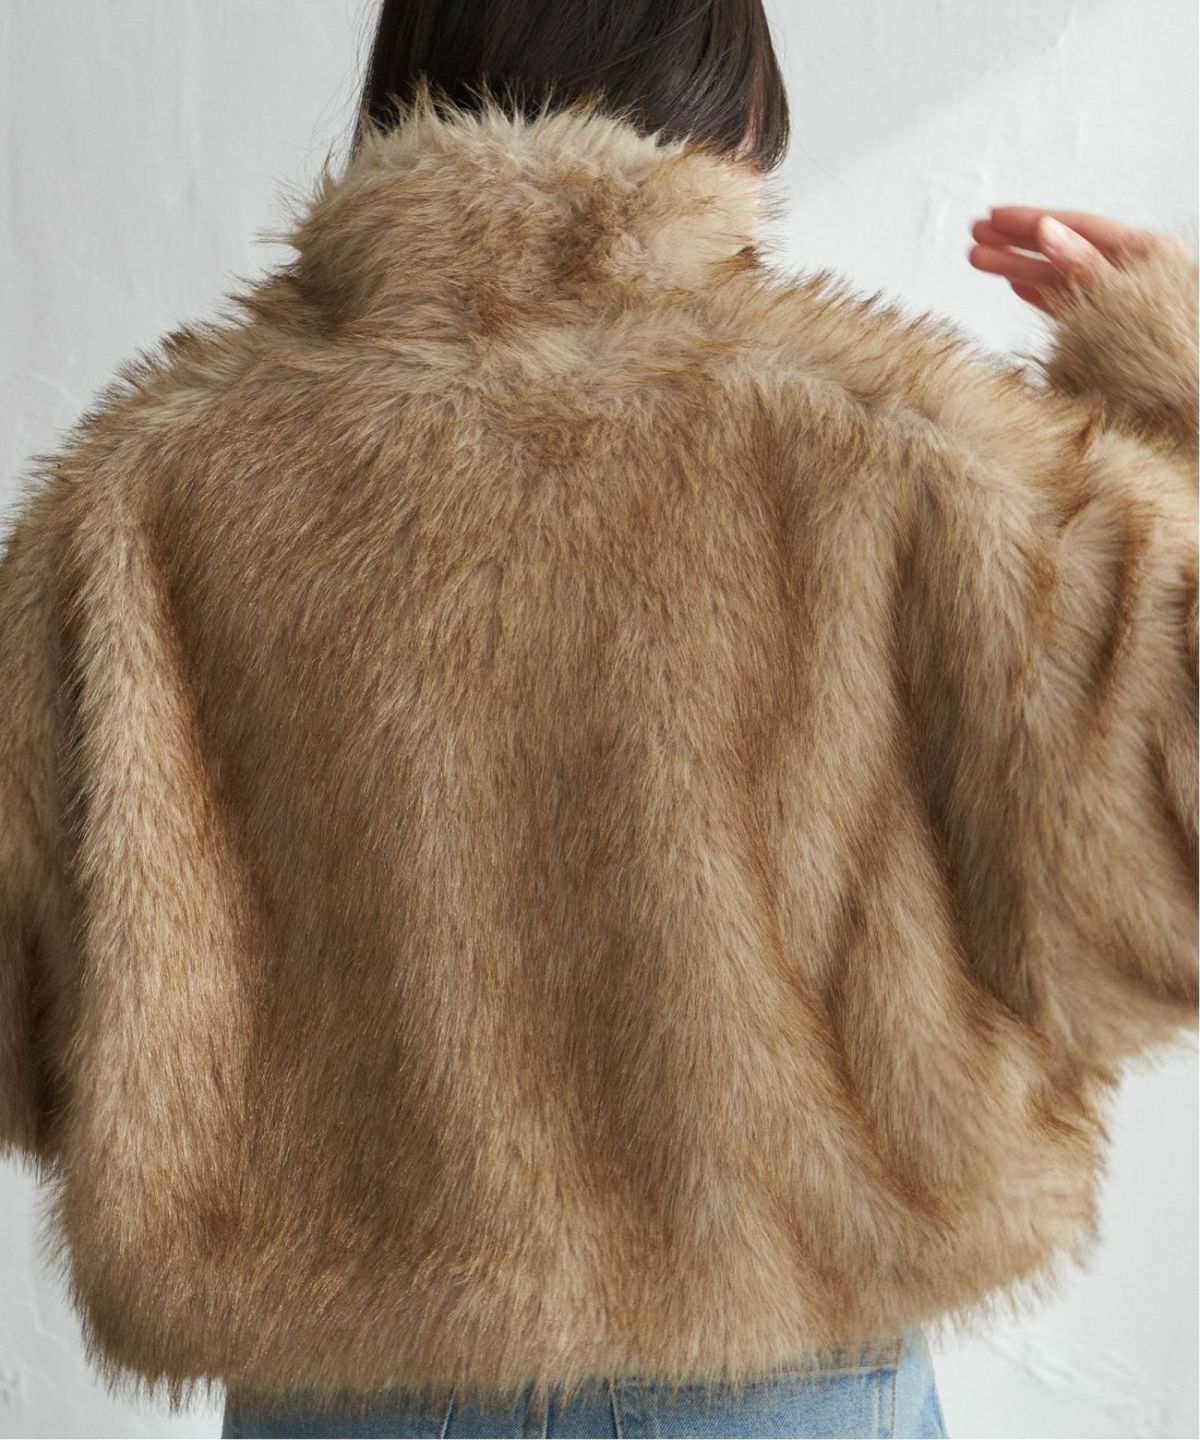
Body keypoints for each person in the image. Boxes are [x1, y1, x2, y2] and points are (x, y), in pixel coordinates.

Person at [1, 2, 1195, 1437]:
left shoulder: (139, 503)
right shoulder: (914, 464)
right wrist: (1179, 383)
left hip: (343, 1399)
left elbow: (24, 1019)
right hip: (777, 1386)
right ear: (735, 118)